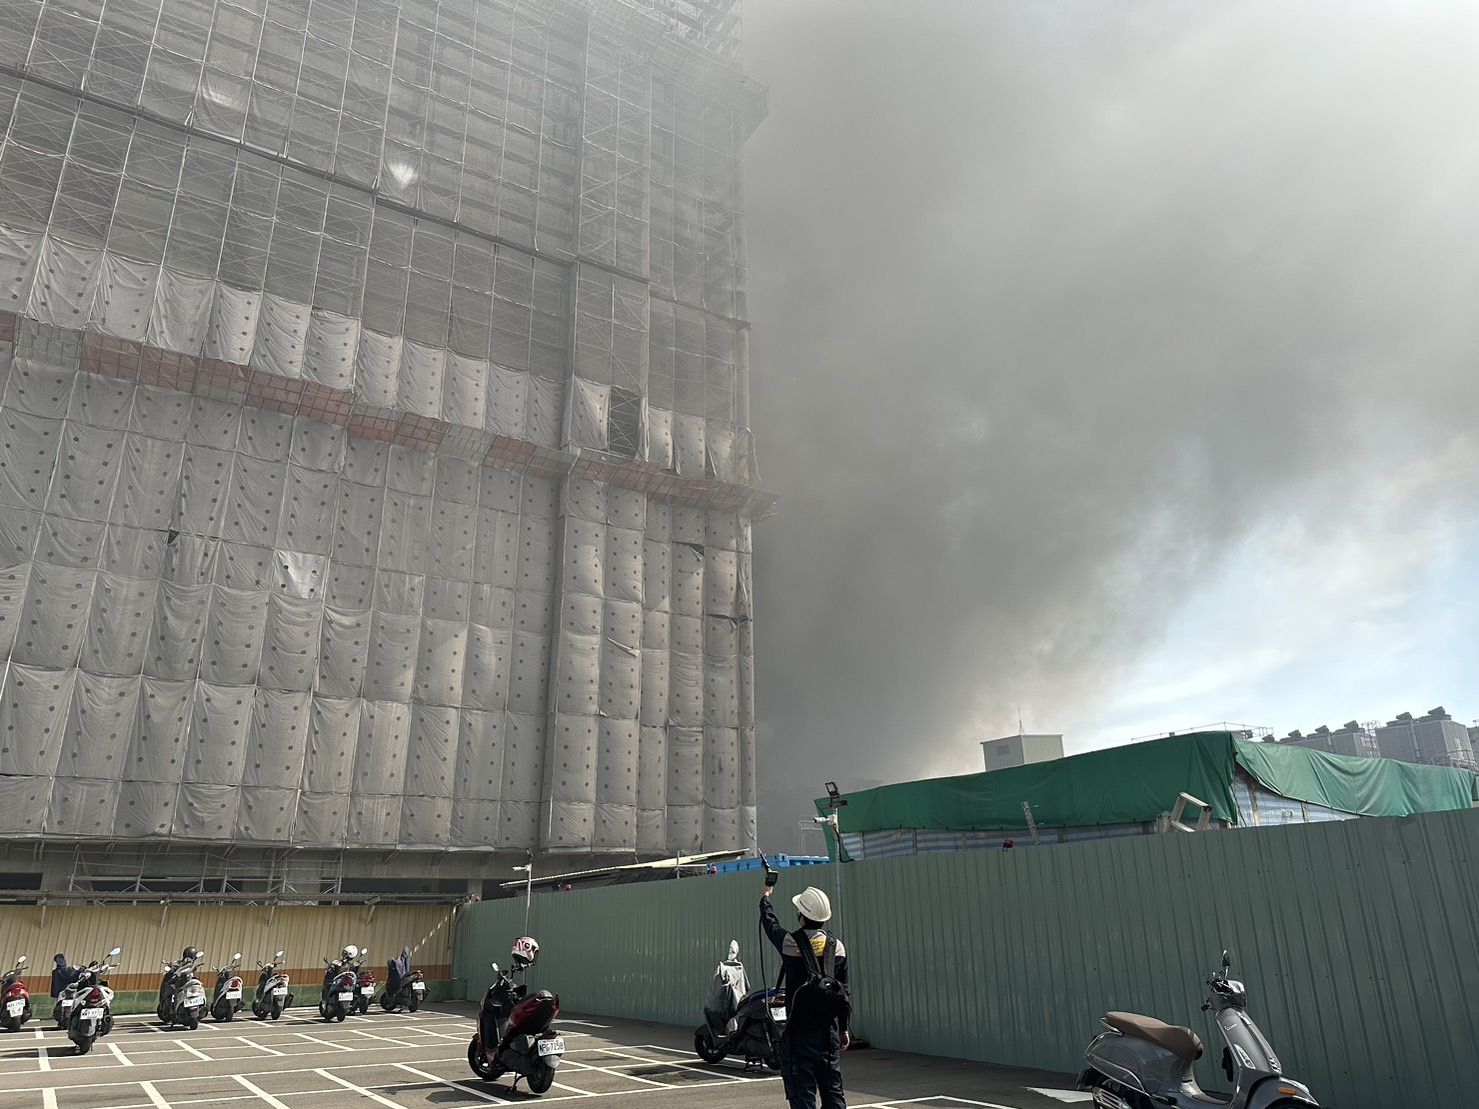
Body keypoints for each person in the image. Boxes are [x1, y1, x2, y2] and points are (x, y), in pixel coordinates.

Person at [761, 881, 850, 1109]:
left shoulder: (791, 944)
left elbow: (771, 926)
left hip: (799, 1034)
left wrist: (766, 898)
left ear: (801, 915)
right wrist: (843, 1029)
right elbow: (844, 992)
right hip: (828, 1034)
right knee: (833, 1094)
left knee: (802, 1098)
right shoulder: (837, 947)